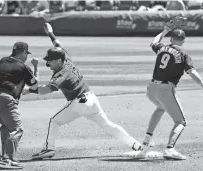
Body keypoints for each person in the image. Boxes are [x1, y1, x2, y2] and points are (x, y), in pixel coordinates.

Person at [23, 23, 143, 160]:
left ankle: (49, 149)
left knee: (54, 121)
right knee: (108, 125)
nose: (47, 64)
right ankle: (135, 144)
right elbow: (57, 44)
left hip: (79, 103)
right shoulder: (65, 58)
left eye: (49, 61)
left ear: (57, 60)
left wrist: (30, 91)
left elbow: (47, 90)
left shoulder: (61, 73)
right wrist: (50, 32)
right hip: (91, 99)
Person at [141, 26, 203, 160]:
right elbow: (192, 73)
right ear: (183, 41)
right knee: (181, 121)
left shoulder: (162, 48)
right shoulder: (184, 54)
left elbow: (154, 41)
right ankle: (170, 149)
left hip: (151, 89)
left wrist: (165, 30)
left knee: (160, 108)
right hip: (165, 90)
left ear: (171, 38)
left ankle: (146, 140)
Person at [0, 42, 39, 169]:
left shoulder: (3, 60)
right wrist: (35, 67)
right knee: (17, 129)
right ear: (23, 52)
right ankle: (7, 160)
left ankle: (5, 156)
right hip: (5, 99)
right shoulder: (23, 67)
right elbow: (34, 85)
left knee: (7, 127)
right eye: (26, 53)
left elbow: (9, 76)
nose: (27, 56)